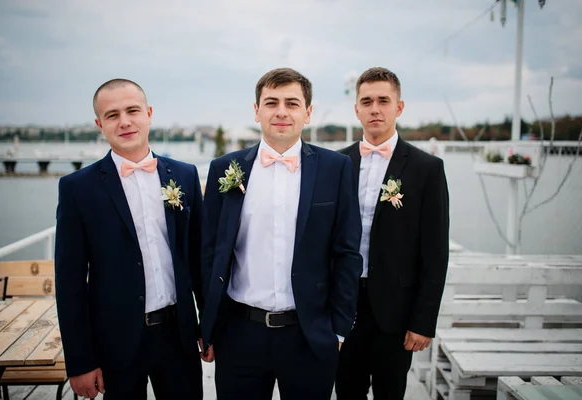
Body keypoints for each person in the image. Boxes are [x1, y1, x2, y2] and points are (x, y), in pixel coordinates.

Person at [200, 68, 362, 400]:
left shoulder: (337, 168)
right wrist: (210, 324)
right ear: (257, 110)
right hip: (240, 332)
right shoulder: (224, 169)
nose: (281, 111)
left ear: (308, 112)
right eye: (271, 102)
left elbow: (347, 252)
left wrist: (339, 328)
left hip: (309, 334)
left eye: (292, 102)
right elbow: (210, 251)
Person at [55, 79, 204, 399]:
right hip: (115, 342)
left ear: (148, 114)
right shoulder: (77, 189)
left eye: (132, 110)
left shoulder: (185, 174)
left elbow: (198, 257)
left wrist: (210, 326)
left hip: (178, 335)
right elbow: (69, 282)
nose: (124, 121)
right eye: (112, 115)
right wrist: (80, 361)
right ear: (99, 124)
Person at [336, 67, 450, 400]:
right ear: (356, 109)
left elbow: (435, 252)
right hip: (345, 307)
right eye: (366, 101)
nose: (375, 108)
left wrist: (423, 321)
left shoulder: (426, 168)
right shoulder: (336, 164)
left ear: (399, 107)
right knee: (346, 391)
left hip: (396, 313)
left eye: (383, 100)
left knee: (391, 393)